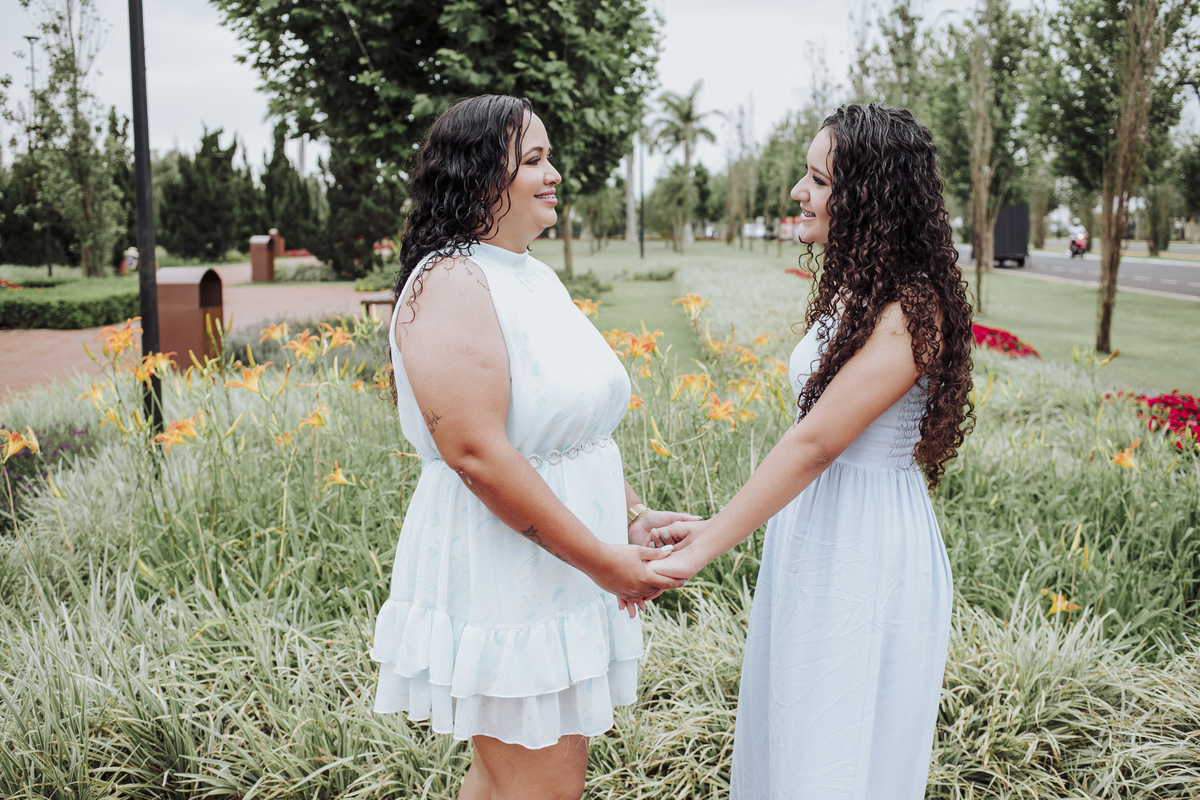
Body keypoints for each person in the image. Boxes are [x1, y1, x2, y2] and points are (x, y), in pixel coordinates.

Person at [368, 94, 695, 800]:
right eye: (535, 160)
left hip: (563, 564)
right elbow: (477, 454)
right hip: (509, 574)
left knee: (507, 782)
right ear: (482, 175)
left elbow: (563, 429)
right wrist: (602, 560)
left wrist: (630, 515)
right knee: (541, 786)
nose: (555, 175)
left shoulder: (531, 274)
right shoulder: (452, 280)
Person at [647, 103, 975, 799]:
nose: (800, 191)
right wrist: (710, 527)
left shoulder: (912, 309)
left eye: (819, 180)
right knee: (794, 734)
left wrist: (700, 550)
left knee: (834, 751)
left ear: (871, 196)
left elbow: (818, 443)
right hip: (815, 530)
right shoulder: (859, 291)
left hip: (864, 545)